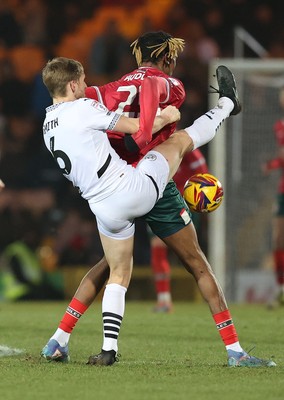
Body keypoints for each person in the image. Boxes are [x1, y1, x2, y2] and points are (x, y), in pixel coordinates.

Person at [40, 39, 273, 368]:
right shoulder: (158, 84)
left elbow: (104, 109)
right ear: (74, 84)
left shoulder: (52, 123)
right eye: (83, 82)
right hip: (142, 186)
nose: (87, 86)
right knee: (180, 145)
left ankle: (67, 341)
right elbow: (140, 129)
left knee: (114, 269)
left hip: (103, 206)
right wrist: (167, 115)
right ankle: (225, 105)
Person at [151, 149, 208, 313]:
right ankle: (164, 299)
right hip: (160, 204)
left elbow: (204, 179)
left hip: (183, 205)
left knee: (190, 254)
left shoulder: (189, 150)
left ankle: (208, 292)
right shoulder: (155, 148)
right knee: (157, 248)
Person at [262, 87, 284, 307]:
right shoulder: (279, 126)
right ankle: (280, 289)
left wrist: (273, 163)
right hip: (282, 190)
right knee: (278, 238)